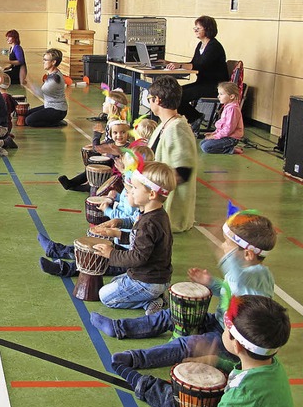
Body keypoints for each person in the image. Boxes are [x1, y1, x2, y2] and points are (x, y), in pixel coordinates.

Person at [55, 295, 294, 407]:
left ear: (237, 344)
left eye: (226, 328)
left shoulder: (249, 390)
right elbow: (234, 405)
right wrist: (213, 361)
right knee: (187, 397)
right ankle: (142, 383)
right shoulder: (266, 365)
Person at [102, 209, 276, 371]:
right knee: (170, 315)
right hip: (220, 323)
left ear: (248, 254)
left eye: (228, 244)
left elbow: (236, 276)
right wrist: (211, 282)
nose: (223, 247)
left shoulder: (256, 276)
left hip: (233, 341)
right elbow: (231, 291)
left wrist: (225, 239)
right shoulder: (248, 273)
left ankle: (137, 359)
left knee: (186, 344)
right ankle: (120, 327)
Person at [45, 161, 176, 315]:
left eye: (134, 188)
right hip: (155, 277)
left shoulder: (149, 223)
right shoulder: (157, 215)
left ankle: (153, 300)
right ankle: (156, 294)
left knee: (105, 296)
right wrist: (117, 234)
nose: (130, 192)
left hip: (148, 281)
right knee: (114, 282)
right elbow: (143, 242)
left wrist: (110, 254)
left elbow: (137, 257)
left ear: (152, 194)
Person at [146, 76, 198, 233]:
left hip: (170, 215)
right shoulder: (165, 125)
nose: (149, 102)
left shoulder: (177, 129)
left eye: (150, 98)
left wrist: (152, 189)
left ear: (158, 100)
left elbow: (183, 171)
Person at [166, 15, 229, 130]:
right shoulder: (201, 45)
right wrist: (171, 63)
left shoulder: (214, 46)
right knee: (174, 93)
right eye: (195, 28)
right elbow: (193, 63)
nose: (195, 30)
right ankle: (194, 117)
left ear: (208, 29)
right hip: (202, 83)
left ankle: (195, 117)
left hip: (214, 86)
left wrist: (178, 65)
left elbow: (200, 66)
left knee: (178, 96)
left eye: (198, 28)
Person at [24, 48, 68, 127]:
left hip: (58, 110)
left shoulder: (55, 79)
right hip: (49, 105)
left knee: (29, 121)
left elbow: (41, 93)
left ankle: (56, 123)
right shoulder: (52, 74)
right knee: (24, 115)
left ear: (53, 62)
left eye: (45, 60)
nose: (43, 62)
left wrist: (29, 83)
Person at [200, 81, 244, 154]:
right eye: (218, 94)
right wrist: (214, 133)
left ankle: (231, 150)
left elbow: (229, 129)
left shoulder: (232, 109)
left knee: (206, 147)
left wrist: (215, 136)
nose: (218, 96)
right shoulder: (228, 106)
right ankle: (227, 147)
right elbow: (223, 126)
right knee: (202, 143)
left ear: (231, 96)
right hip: (226, 136)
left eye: (221, 94)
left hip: (231, 138)